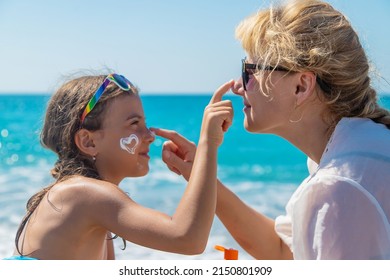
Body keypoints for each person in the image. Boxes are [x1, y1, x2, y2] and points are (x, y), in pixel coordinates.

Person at [155, 0, 390, 259]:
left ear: (301, 86)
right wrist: (200, 172)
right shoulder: (363, 148)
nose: (237, 85)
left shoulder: (338, 188)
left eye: (249, 71)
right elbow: (283, 250)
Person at [5, 73, 234, 260]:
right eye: (134, 124)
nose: (149, 136)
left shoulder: (83, 200)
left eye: (145, 123)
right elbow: (187, 238)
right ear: (88, 141)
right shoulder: (82, 193)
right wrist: (208, 144)